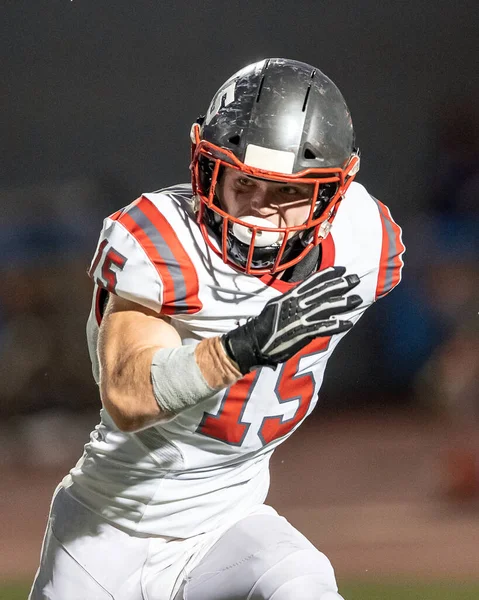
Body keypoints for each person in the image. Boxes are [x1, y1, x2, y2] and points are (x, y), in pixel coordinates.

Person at [30, 58, 405, 600]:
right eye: (246, 183)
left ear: (331, 196)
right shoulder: (160, 240)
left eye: (286, 195)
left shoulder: (361, 240)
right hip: (107, 536)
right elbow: (128, 394)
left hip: (228, 527)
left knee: (306, 586)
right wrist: (243, 347)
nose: (257, 211)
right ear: (211, 168)